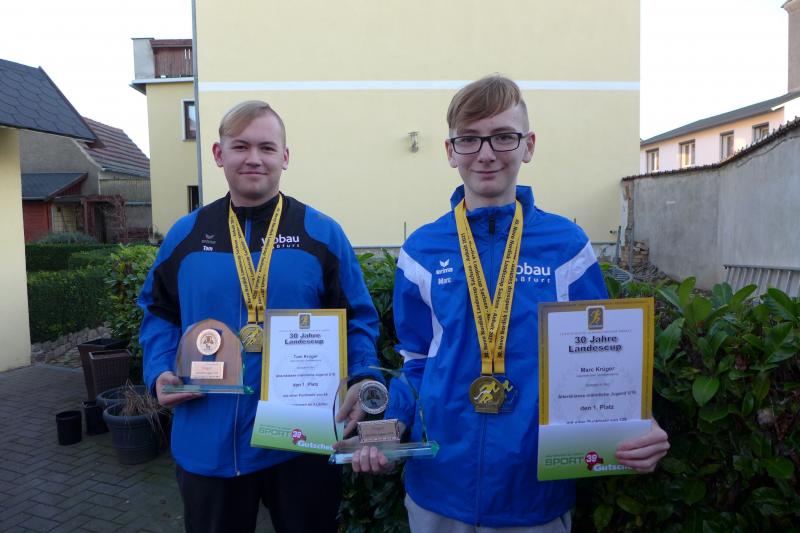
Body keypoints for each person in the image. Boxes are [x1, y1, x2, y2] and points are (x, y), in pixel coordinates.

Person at [349, 75, 670, 531]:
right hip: (439, 487)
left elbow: (600, 358)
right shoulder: (421, 250)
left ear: (528, 145)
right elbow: (418, 362)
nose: (486, 153)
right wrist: (386, 428)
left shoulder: (566, 246)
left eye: (503, 136)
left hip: (533, 491)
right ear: (450, 151)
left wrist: (637, 424)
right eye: (469, 139)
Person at [138, 100, 382, 533]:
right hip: (208, 441)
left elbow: (357, 317)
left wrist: (363, 374)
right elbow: (158, 311)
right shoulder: (186, 235)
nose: (254, 158)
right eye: (241, 146)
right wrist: (159, 369)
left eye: (267, 147)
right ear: (219, 154)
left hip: (301, 440)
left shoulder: (321, 233)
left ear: (285, 157)